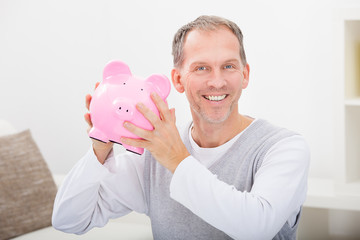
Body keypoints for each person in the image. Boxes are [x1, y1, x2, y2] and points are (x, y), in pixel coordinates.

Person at [52, 15, 310, 240]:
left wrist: (176, 158)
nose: (217, 81)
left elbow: (257, 228)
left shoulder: (284, 147)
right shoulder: (153, 157)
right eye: (201, 68)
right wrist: (100, 147)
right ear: (177, 79)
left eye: (228, 66)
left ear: (245, 74)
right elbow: (69, 220)